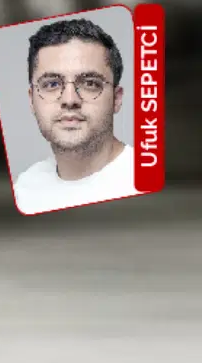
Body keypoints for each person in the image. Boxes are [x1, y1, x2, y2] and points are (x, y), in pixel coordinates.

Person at [12, 18, 137, 215]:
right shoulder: (25, 188)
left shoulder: (145, 179)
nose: (69, 100)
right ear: (31, 100)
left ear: (117, 99)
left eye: (89, 83)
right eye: (51, 84)